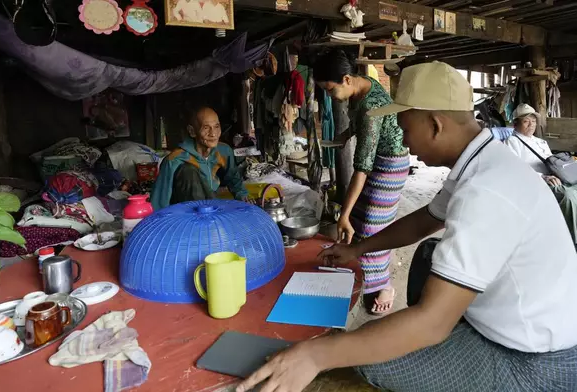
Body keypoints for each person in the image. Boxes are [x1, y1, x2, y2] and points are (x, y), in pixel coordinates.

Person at [236, 61, 577, 392]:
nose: (404, 140)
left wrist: (314, 355)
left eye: (405, 127)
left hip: (533, 364)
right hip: (522, 326)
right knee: (428, 258)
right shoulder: (485, 160)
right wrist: (357, 249)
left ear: (435, 125)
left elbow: (432, 324)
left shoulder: (484, 192)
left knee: (370, 359)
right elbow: (427, 218)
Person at [313, 50, 409, 314]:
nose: (331, 97)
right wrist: (345, 134)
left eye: (331, 90)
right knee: (358, 218)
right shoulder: (363, 86)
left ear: (346, 79)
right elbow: (361, 126)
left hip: (390, 165)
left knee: (370, 228)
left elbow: (361, 169)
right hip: (376, 159)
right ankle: (364, 275)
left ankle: (384, 285)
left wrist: (342, 214)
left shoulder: (370, 107)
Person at [504, 103, 577, 245]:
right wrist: (542, 176)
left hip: (555, 177)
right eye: (526, 121)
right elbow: (514, 169)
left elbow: (553, 164)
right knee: (567, 195)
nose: (531, 125)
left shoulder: (541, 142)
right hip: (536, 182)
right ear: (515, 124)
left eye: (534, 121)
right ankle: (572, 241)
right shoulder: (512, 142)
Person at [151, 107, 249, 210]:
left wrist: (242, 196)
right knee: (188, 171)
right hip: (183, 211)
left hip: (210, 203)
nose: (213, 134)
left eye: (216, 126)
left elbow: (233, 178)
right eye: (206, 128)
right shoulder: (174, 159)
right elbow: (160, 200)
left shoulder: (224, 151)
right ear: (192, 131)